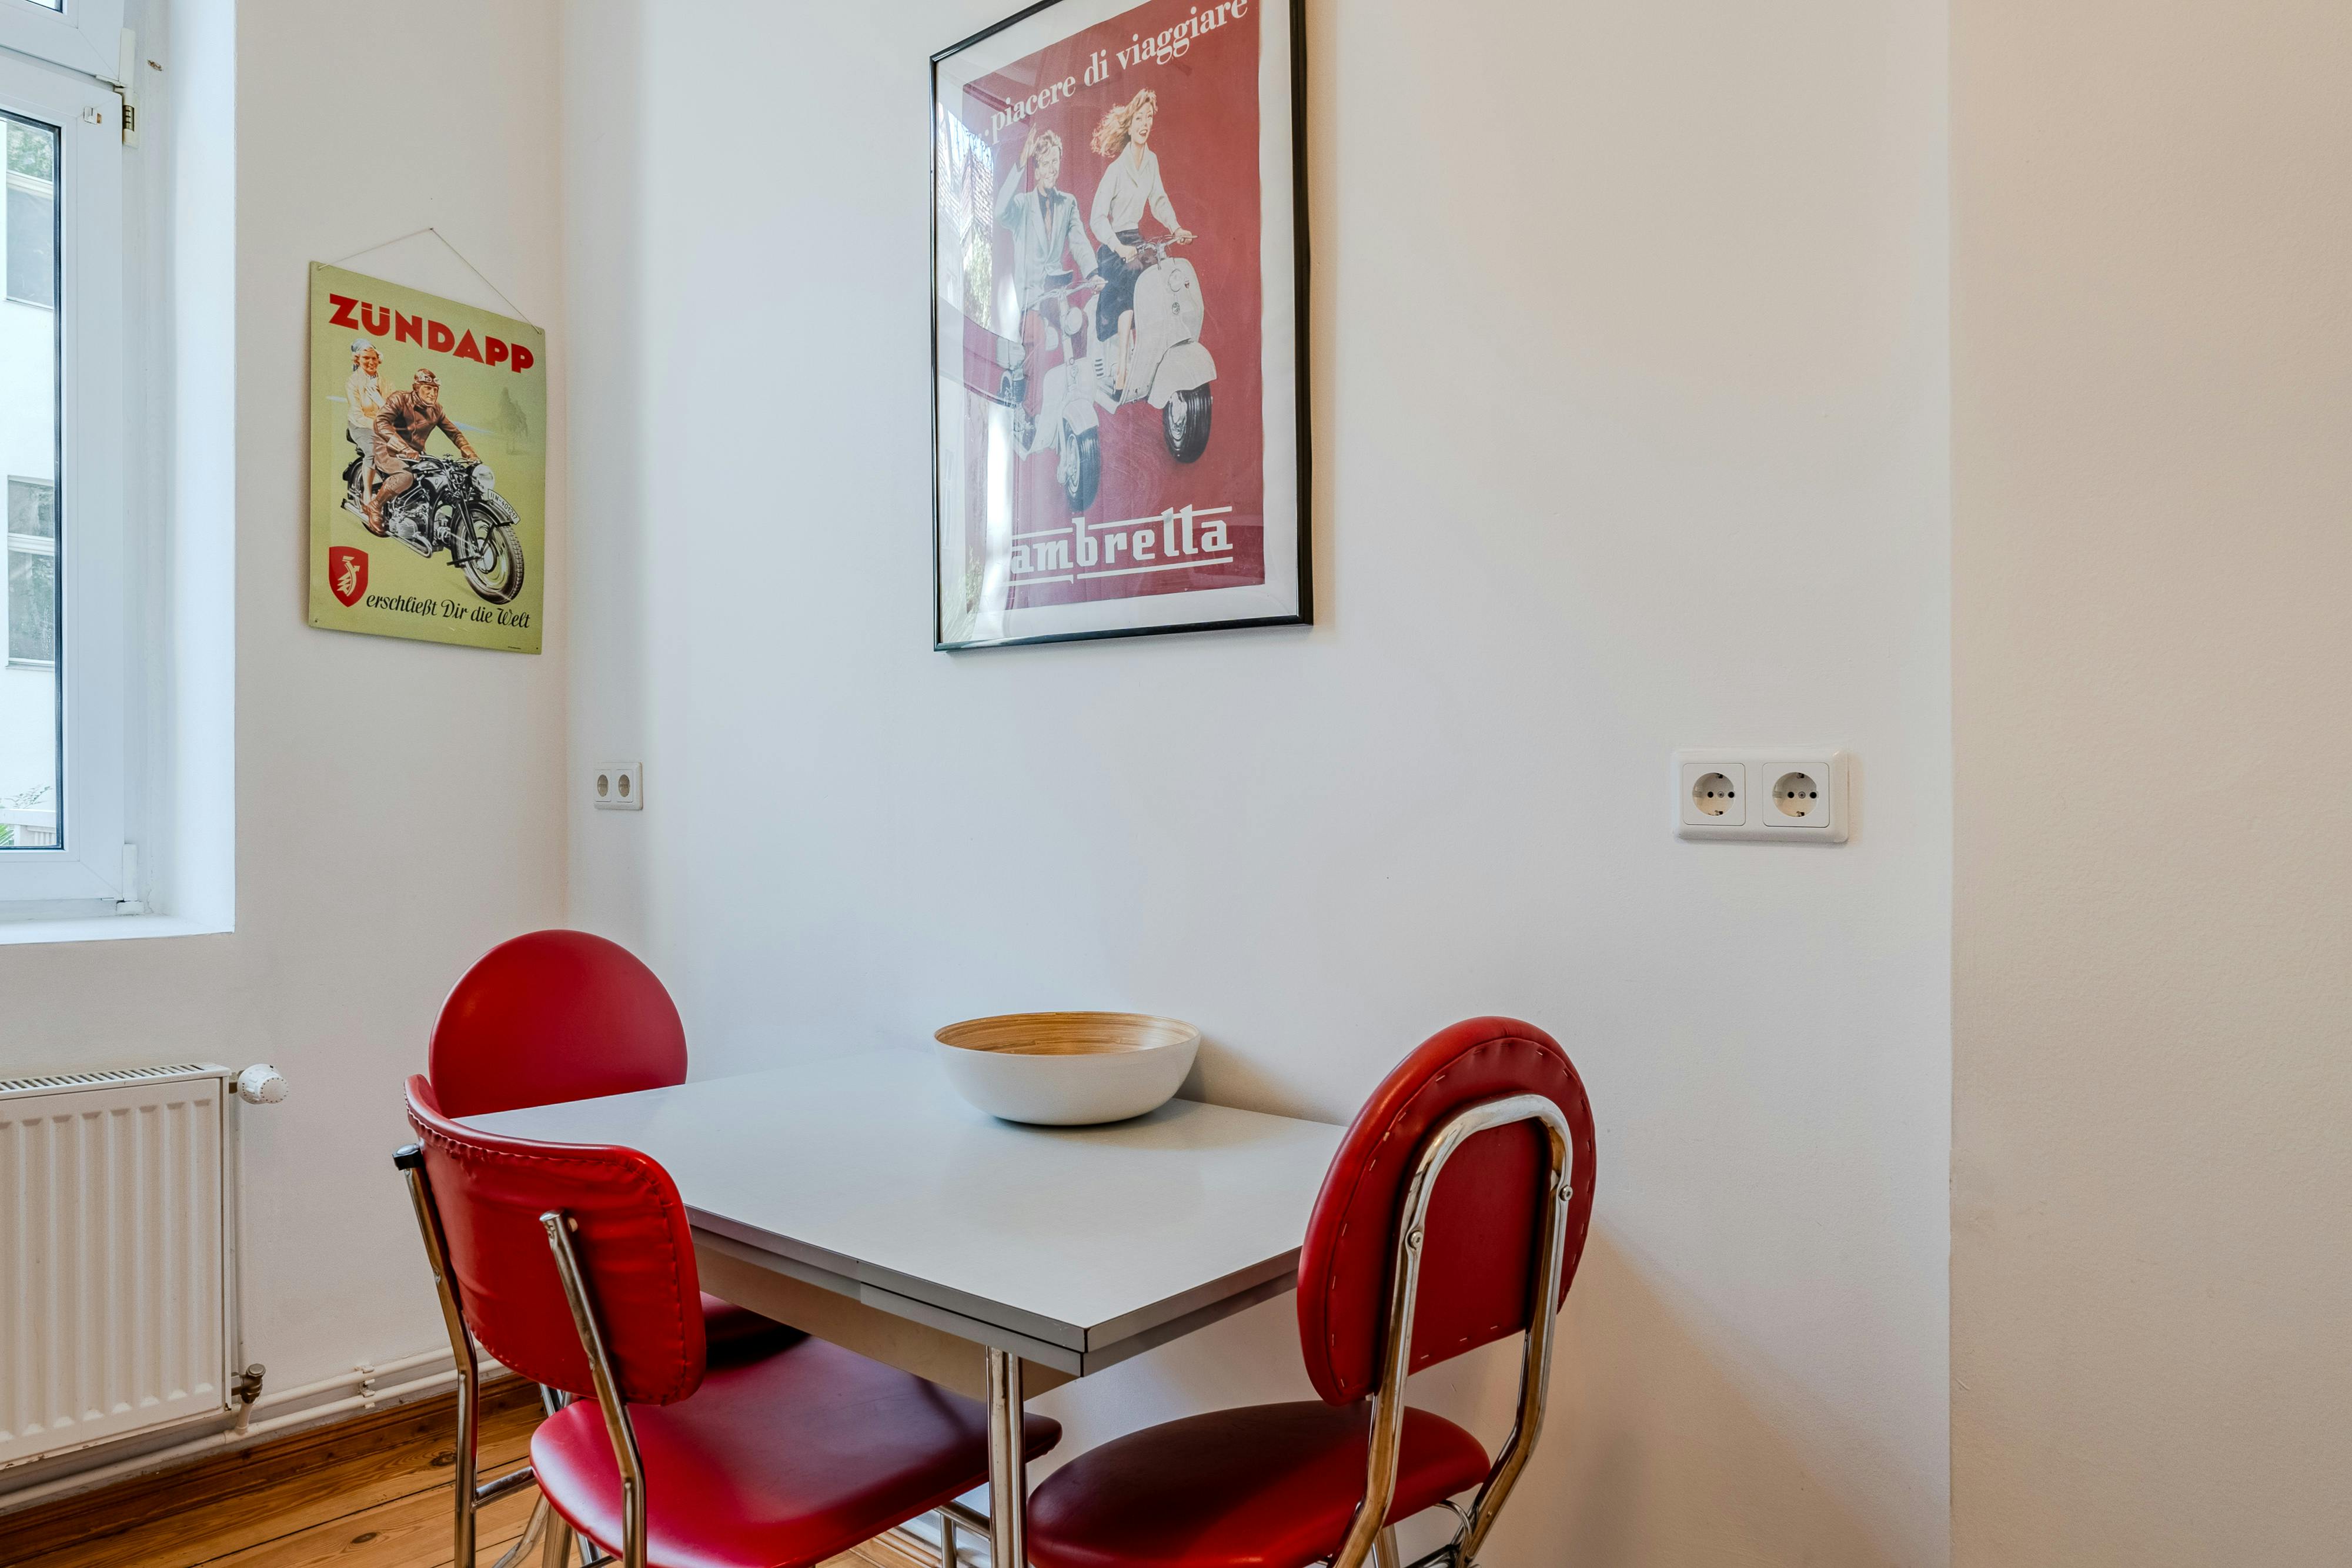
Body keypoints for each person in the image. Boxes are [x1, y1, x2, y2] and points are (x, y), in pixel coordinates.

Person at [1088, 88, 1193, 394]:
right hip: (1114, 247)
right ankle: (1123, 367)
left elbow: (1159, 200)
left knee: (1162, 273)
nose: (1145, 124)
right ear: (1130, 123)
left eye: (1149, 117)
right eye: (1139, 118)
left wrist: (1176, 227)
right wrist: (1118, 247)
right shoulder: (1115, 170)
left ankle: (1157, 355)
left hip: (1136, 239)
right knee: (1133, 276)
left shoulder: (1152, 161)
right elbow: (1097, 218)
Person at [994, 127, 1097, 427]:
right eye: (1046, 163)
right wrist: (1019, 164)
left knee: (1079, 322)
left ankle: (1076, 394)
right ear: (1036, 169)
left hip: (1056, 293)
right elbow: (1000, 211)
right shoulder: (1021, 206)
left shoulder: (1068, 203)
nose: (1052, 169)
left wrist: (1093, 272)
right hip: (1029, 299)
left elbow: (1079, 241)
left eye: (1056, 162)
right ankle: (1030, 413)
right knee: (1038, 337)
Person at [365, 367, 479, 537]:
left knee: (442, 478)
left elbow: (454, 433)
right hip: (388, 448)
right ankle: (375, 506)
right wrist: (403, 448)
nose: (433, 394)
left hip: (416, 454)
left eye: (435, 390)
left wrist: (468, 451)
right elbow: (381, 423)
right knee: (405, 477)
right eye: (428, 388)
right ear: (417, 388)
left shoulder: (437, 410)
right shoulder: (400, 399)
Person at [343, 340, 387, 515]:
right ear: (358, 360)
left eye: (374, 358)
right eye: (366, 358)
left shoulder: (385, 383)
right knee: (373, 452)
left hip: (384, 425)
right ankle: (368, 497)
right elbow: (358, 414)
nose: (371, 362)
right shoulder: (353, 382)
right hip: (361, 425)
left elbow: (392, 408)